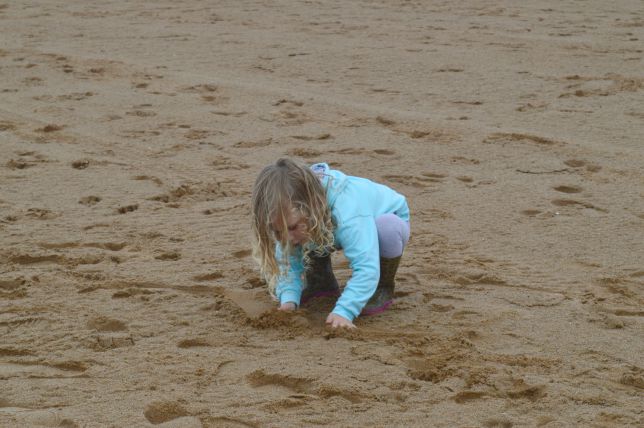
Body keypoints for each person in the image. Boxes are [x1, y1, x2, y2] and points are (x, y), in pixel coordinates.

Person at [251, 158, 410, 329]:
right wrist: (288, 300)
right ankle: (322, 280)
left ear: (311, 205)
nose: (286, 238)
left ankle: (382, 287)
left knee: (388, 227)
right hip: (327, 223)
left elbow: (366, 267)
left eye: (291, 227)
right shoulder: (291, 214)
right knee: (303, 233)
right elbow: (288, 264)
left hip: (384, 221)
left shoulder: (348, 209)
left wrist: (344, 311)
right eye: (277, 231)